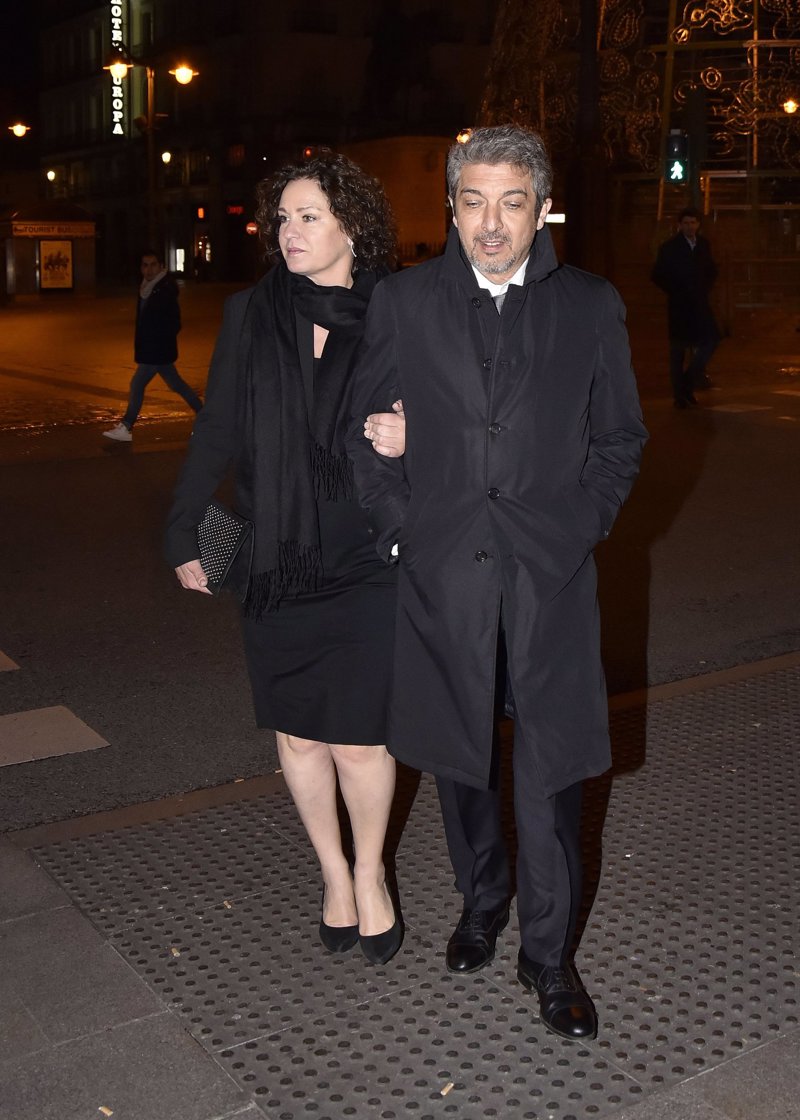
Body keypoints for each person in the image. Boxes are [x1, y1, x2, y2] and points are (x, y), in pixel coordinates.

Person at [348, 125, 648, 1038]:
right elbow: (367, 433)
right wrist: (404, 538)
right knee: (461, 760)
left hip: (549, 580)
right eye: (473, 201)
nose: (491, 223)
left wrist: (579, 528)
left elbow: (619, 438)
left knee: (551, 774)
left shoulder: (589, 305)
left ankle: (548, 957)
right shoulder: (404, 301)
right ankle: (482, 900)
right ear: (451, 207)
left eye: (512, 203)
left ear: (541, 208)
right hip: (445, 576)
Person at [164, 152, 406, 965]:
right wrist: (183, 529)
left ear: (352, 227)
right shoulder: (251, 313)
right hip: (277, 555)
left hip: (367, 555)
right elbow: (218, 429)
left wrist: (414, 435)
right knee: (300, 737)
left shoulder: (399, 309)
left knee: (361, 737)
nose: (288, 232)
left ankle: (371, 875)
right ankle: (333, 874)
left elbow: (451, 414)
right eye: (283, 218)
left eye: (308, 217)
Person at [104, 251, 203, 441]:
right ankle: (206, 417)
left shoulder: (164, 289)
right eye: (145, 265)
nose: (148, 269)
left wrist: (159, 340)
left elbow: (175, 322)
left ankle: (126, 426)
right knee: (177, 385)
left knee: (137, 384)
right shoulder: (146, 288)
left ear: (160, 266)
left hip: (157, 350)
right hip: (153, 349)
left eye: (153, 264)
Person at [651, 207, 720, 408]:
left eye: (693, 223)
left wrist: (704, 287)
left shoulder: (703, 245)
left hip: (698, 303)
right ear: (680, 225)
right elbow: (657, 275)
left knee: (710, 340)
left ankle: (686, 384)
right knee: (678, 350)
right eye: (686, 223)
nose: (690, 226)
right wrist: (676, 290)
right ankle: (680, 395)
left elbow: (711, 269)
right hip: (680, 305)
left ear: (698, 225)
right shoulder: (669, 248)